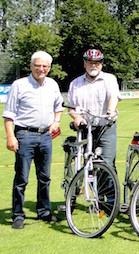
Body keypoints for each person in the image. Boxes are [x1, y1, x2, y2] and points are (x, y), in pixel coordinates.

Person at [3, 51, 64, 229]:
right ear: (31, 66)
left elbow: (59, 106)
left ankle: (44, 212)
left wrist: (56, 121)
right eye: (38, 65)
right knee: (21, 178)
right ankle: (17, 215)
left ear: (49, 68)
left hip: (45, 136)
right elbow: (9, 114)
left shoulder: (52, 84)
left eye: (45, 66)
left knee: (44, 177)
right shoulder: (19, 85)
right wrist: (10, 136)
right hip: (24, 134)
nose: (41, 69)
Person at [67, 49, 121, 169]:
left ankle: (110, 188)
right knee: (87, 163)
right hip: (85, 128)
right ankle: (89, 187)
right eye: (90, 62)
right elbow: (71, 107)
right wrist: (77, 117)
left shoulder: (109, 79)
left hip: (105, 127)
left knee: (106, 163)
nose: (93, 65)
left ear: (101, 64)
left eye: (97, 63)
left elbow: (114, 96)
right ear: (84, 63)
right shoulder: (75, 83)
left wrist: (110, 111)